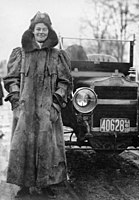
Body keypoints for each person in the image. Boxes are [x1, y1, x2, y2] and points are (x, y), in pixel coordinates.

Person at [3, 11, 73, 198]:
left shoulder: (57, 56)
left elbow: (65, 82)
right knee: (22, 147)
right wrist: (17, 101)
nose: (41, 32)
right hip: (25, 110)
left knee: (49, 147)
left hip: (47, 111)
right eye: (38, 29)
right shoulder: (21, 54)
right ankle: (23, 185)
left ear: (49, 32)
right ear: (32, 31)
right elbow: (10, 79)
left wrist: (56, 105)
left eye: (44, 29)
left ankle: (46, 183)